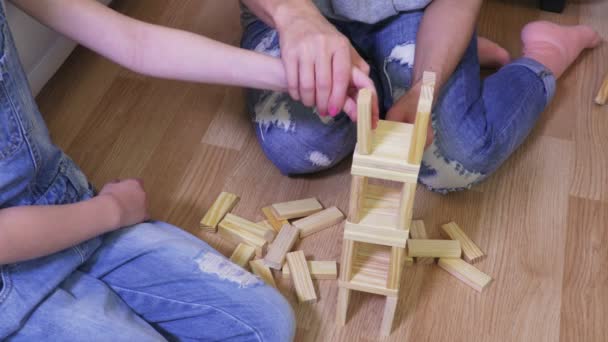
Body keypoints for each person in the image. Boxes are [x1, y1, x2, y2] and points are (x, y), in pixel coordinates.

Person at [0, 0, 378, 340]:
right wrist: (112, 211)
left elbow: (135, 43)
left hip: (61, 208)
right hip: (17, 280)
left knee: (266, 326)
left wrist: (295, 78)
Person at [240, 0, 601, 193]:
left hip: (416, 11)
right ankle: (406, 59)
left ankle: (544, 56)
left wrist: (424, 85)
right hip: (291, 10)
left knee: (457, 159)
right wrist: (296, 17)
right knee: (298, 144)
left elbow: (456, 4)